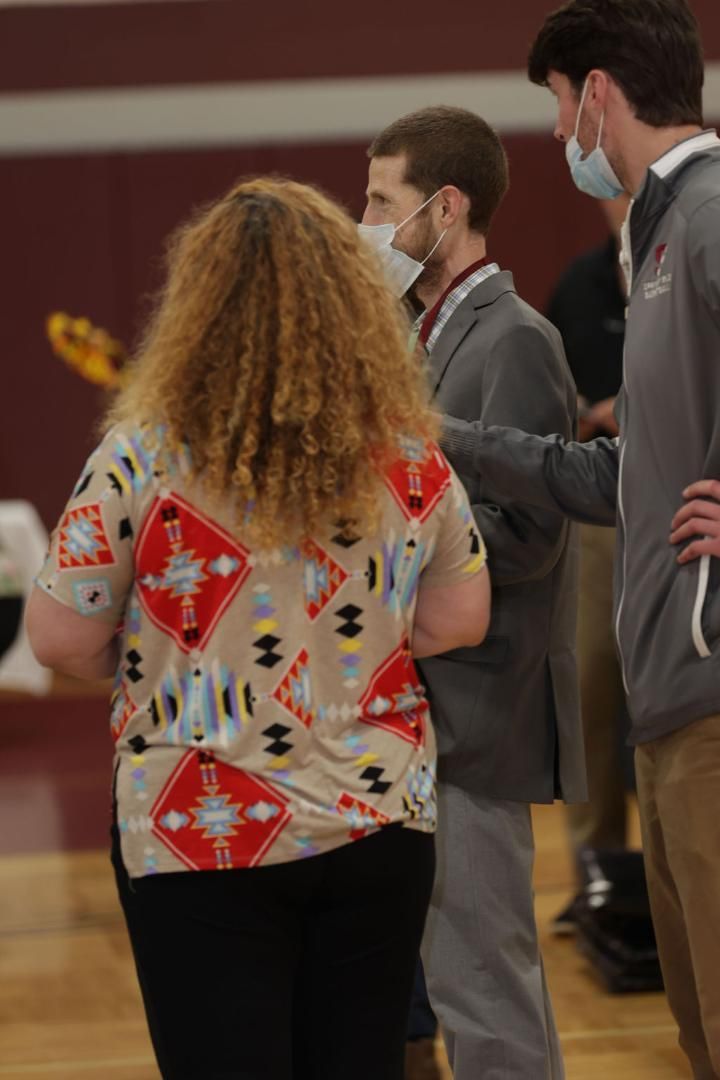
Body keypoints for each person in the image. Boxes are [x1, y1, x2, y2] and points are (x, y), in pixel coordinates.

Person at [25, 177, 491, 1080]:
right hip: (378, 821)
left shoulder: (141, 455)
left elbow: (57, 638)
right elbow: (460, 615)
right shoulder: (406, 450)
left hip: (200, 829)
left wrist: (176, 658)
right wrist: (349, 662)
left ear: (196, 307)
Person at [439, 1, 720, 1073]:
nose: (559, 135)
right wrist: (440, 436)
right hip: (670, 706)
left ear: (596, 92)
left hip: (710, 700)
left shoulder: (708, 213)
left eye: (558, 107)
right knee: (697, 1032)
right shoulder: (658, 236)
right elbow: (619, 477)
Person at [362, 106, 586, 1080]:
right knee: (449, 987)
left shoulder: (516, 340)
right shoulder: (421, 337)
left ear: (445, 210)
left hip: (481, 714)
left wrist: (385, 567)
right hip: (421, 715)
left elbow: (529, 536)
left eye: (382, 200)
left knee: (486, 992)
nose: (366, 220)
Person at [545, 194, 630, 934]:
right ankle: (600, 876)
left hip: (693, 504)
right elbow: (548, 405)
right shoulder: (579, 287)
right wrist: (593, 412)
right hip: (604, 518)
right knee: (593, 687)